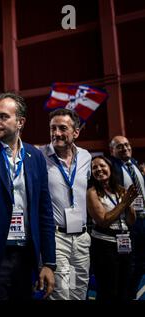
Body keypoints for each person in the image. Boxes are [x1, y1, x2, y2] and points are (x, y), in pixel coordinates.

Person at [0, 92, 55, 300]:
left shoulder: (35, 157)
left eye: (3, 116)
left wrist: (49, 262)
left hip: (26, 256)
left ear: (20, 122)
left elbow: (45, 212)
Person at [39, 109, 92, 300]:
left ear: (76, 132)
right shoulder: (40, 156)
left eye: (63, 128)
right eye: (53, 128)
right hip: (56, 237)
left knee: (78, 292)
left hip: (81, 237)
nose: (56, 133)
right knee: (60, 294)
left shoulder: (86, 157)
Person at [87, 156, 137, 300]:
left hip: (124, 244)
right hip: (104, 246)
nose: (99, 170)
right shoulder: (92, 192)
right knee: (108, 291)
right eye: (94, 168)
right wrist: (124, 203)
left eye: (102, 166)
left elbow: (131, 221)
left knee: (124, 289)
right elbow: (103, 221)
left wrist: (128, 204)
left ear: (109, 168)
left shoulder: (121, 190)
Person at [109, 136, 145, 299]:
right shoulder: (112, 167)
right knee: (130, 261)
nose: (124, 148)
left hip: (143, 219)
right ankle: (126, 295)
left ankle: (131, 293)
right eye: (119, 146)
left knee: (141, 261)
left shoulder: (135, 164)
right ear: (112, 150)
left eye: (127, 145)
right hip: (127, 221)